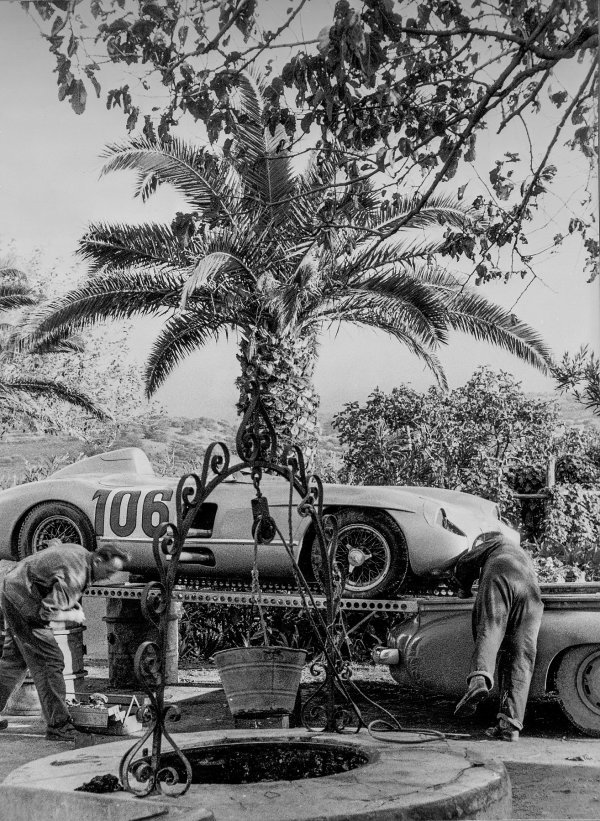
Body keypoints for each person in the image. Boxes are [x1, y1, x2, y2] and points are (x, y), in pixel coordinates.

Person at [0, 542, 129, 743]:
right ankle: (59, 727)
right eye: (109, 570)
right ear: (98, 560)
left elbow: (53, 547)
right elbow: (46, 613)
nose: (110, 576)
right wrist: (72, 614)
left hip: (12, 586)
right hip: (24, 599)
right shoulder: (76, 575)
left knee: (13, 662)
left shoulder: (81, 553)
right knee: (50, 662)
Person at [452, 532, 544, 742]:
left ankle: (479, 679)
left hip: (502, 573)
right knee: (521, 656)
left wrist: (463, 587)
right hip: (530, 591)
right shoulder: (523, 555)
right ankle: (510, 725)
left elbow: (465, 564)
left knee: (491, 626)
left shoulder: (497, 541)